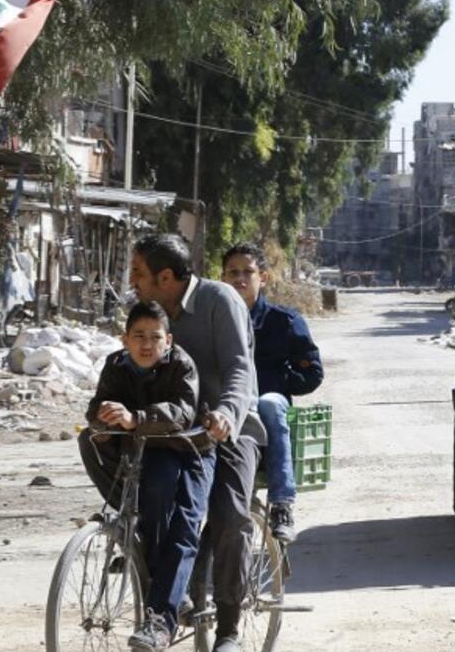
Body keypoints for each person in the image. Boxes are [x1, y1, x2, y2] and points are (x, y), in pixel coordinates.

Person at [79, 234, 262, 652]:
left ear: (165, 277)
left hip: (225, 429)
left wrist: (226, 415)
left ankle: (229, 628)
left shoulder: (220, 300)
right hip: (166, 432)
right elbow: (130, 366)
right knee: (146, 492)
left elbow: (239, 370)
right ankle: (164, 590)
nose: (132, 282)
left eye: (138, 273)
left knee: (229, 516)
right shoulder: (154, 315)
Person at [84, 301, 215, 652]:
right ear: (124, 339)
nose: (146, 344)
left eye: (154, 337)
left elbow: (183, 414)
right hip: (148, 453)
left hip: (191, 451)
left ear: (168, 341)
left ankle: (160, 621)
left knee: (184, 525)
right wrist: (104, 421)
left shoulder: (182, 365)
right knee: (92, 441)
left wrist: (135, 418)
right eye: (138, 336)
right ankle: (172, 591)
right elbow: (97, 405)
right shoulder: (115, 366)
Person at [221, 242, 324, 543]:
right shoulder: (215, 320)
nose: (240, 279)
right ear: (223, 278)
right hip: (229, 408)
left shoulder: (284, 321)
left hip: (267, 406)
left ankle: (282, 505)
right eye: (233, 273)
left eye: (247, 272)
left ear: (262, 277)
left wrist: (279, 380)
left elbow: (312, 374)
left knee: (268, 403)